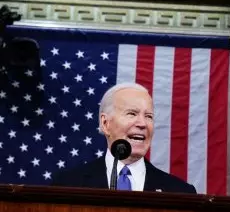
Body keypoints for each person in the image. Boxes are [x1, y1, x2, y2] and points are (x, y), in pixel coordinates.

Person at [51, 82, 197, 194]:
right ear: (105, 123)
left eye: (149, 116)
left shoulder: (180, 191)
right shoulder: (68, 185)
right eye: (132, 114)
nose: (142, 124)